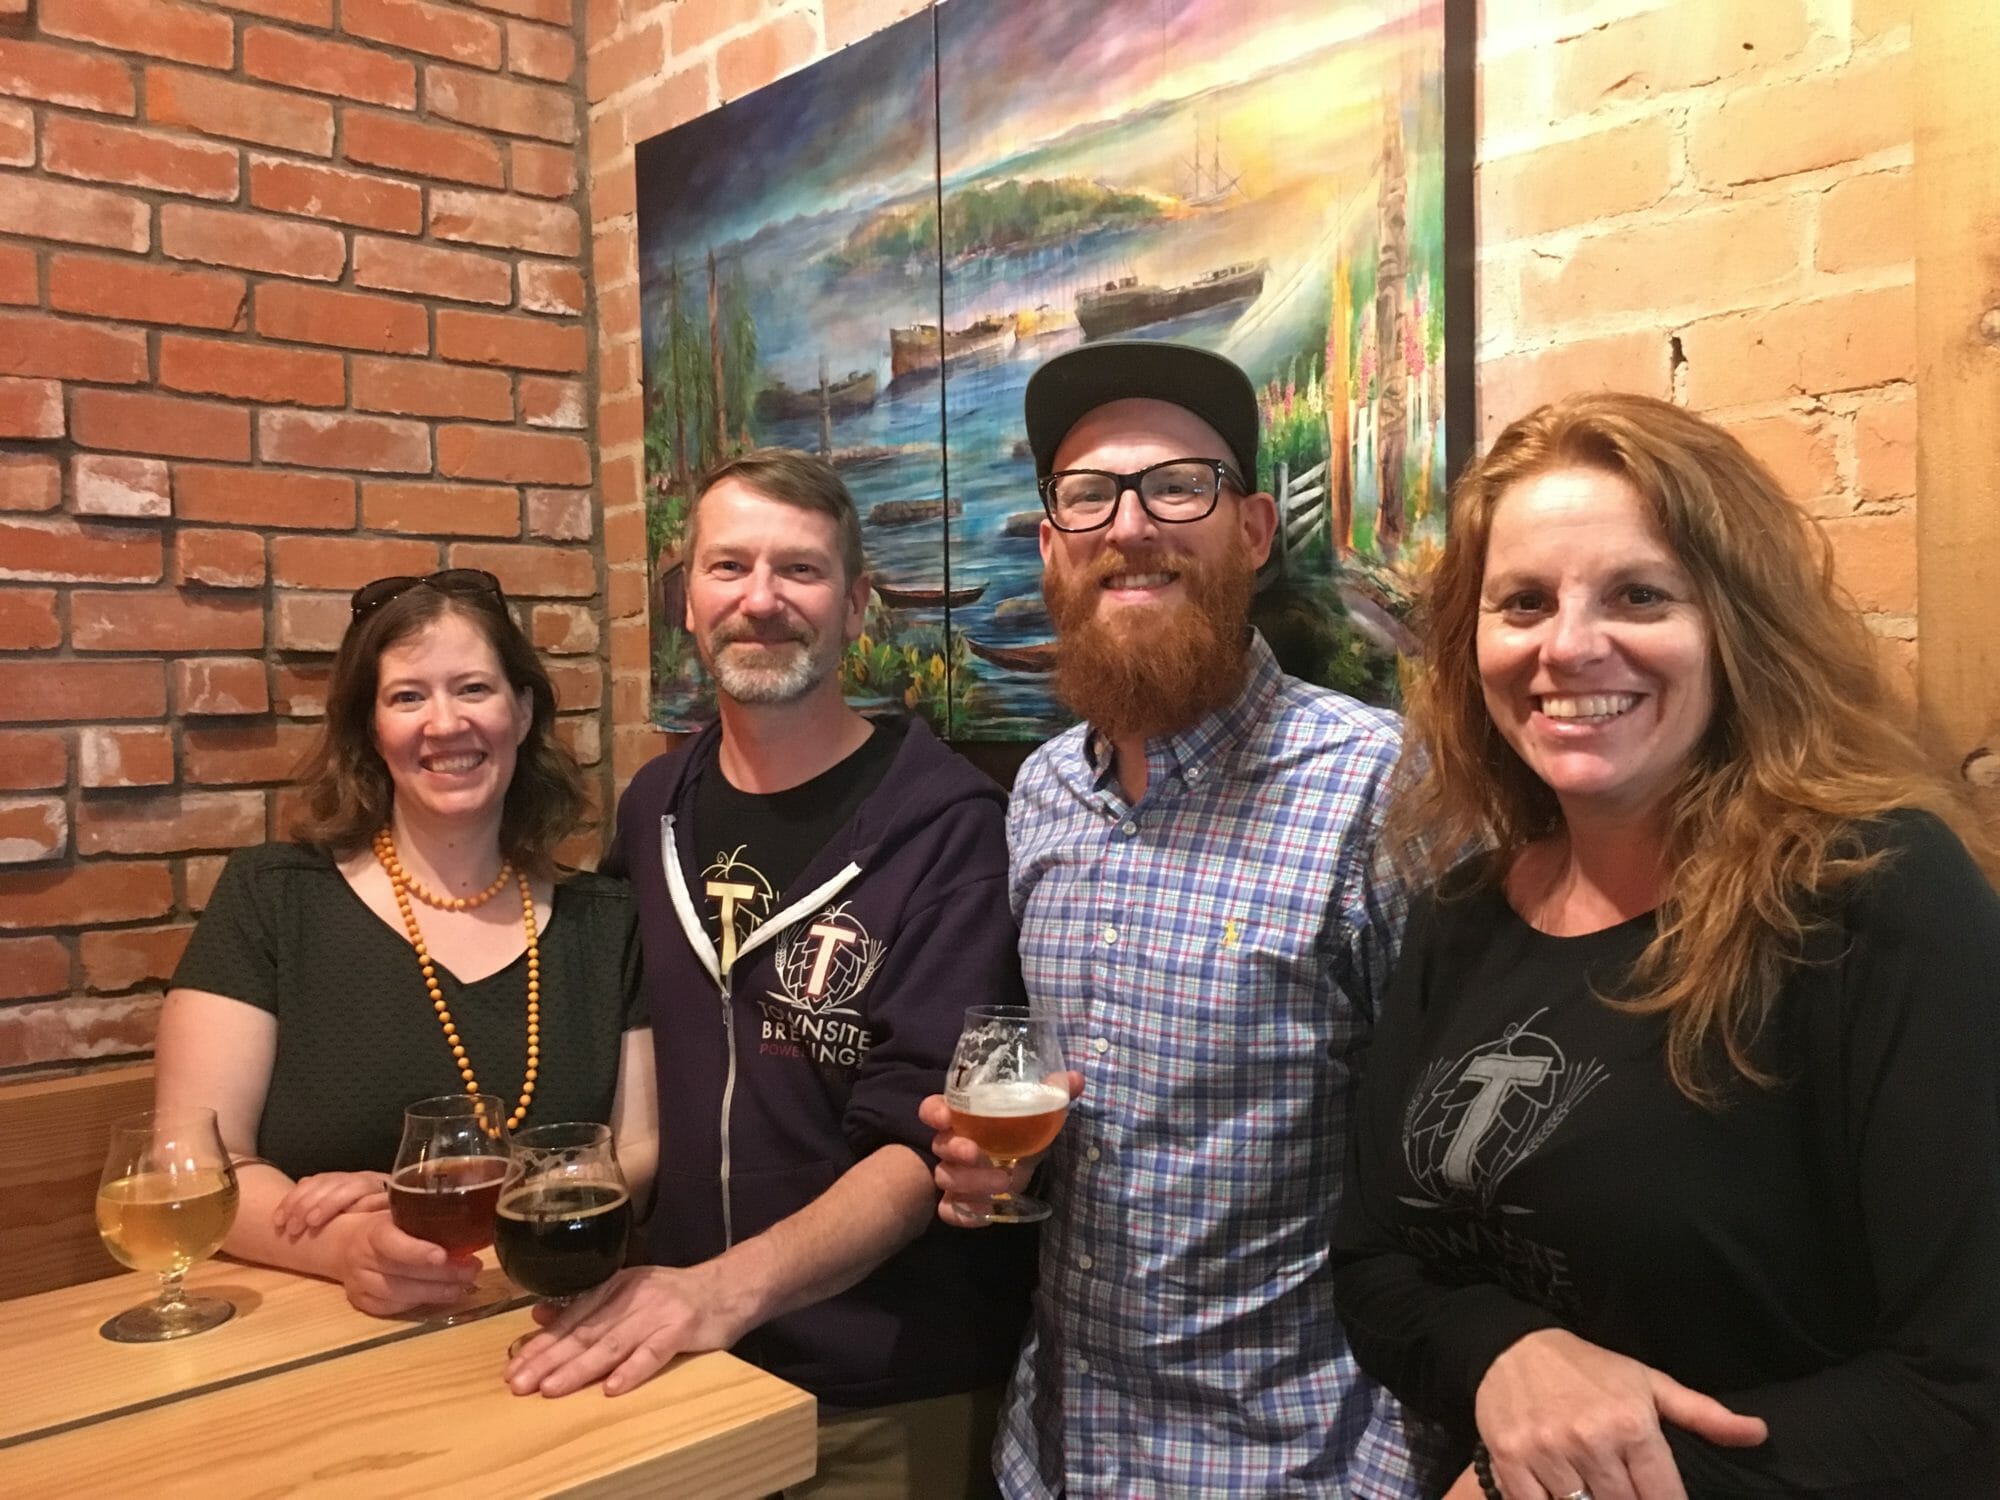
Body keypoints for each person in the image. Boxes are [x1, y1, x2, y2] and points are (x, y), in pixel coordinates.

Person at [1330, 392, 2000, 1499]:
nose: (1569, 646)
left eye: (1637, 595)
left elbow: (1961, 1386)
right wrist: (1507, 1352)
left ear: (1732, 625)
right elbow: (1376, 1266)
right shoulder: (1461, 913)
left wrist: (1551, 1486)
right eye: (1522, 603)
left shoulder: (1872, 895)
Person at [920, 341, 1437, 1496]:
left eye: (1177, 486)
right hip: (1053, 1458)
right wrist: (998, 1179)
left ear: (1251, 530)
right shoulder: (1043, 793)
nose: (1130, 526)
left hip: (1296, 1466)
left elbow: (1458, 1179)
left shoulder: (1379, 789)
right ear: (1053, 545)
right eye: (1087, 495)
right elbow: (1090, 1132)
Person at [505, 450, 1036, 1500]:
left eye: (798, 571)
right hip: (677, 1363)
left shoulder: (948, 829)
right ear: (687, 603)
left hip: (883, 1388)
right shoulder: (651, 808)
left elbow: (920, 1142)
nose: (760, 601)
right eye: (727, 568)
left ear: (853, 605)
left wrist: (712, 1294)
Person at [153, 569, 656, 1317]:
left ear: (521, 712)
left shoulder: (607, 920)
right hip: (315, 1335)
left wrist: (426, 1199)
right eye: (408, 696)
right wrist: (347, 1250)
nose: (445, 722)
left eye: (474, 689)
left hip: (550, 1320)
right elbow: (196, 1168)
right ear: (368, 728)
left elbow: (640, 1153)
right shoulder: (272, 898)